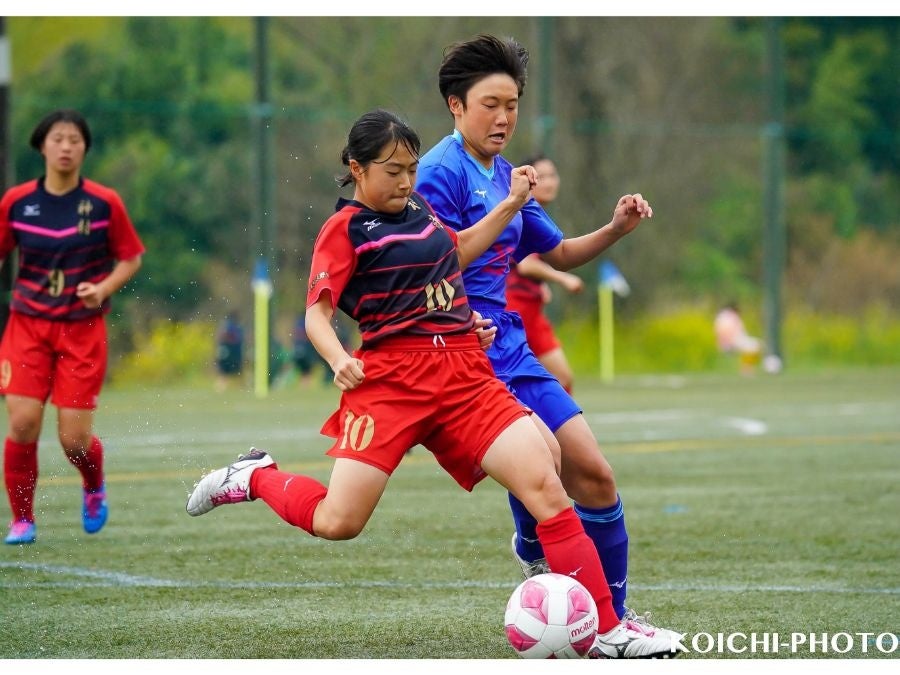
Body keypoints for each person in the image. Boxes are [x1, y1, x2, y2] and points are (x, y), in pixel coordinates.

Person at [186, 109, 678, 659]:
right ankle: (256, 477)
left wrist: (510, 211)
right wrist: (336, 358)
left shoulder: (417, 207)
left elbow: (457, 251)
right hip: (391, 385)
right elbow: (316, 317)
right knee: (338, 521)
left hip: (463, 374)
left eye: (411, 170)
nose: (405, 182)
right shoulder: (343, 230)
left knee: (546, 480)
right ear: (357, 168)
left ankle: (606, 629)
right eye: (392, 171)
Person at [416, 34, 680, 639]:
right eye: (490, 103)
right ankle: (598, 619)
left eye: (512, 103)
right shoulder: (437, 173)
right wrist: (507, 211)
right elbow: (434, 262)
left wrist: (616, 228)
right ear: (455, 106)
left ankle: (607, 609)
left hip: (510, 344)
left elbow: (558, 250)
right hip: (463, 352)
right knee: (548, 466)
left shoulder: (508, 175)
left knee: (596, 473)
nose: (504, 116)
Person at [0, 109, 145, 545]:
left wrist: (101, 289)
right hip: (27, 325)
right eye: (58, 139)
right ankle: (22, 519)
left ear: (84, 149)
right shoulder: (17, 202)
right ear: (42, 146)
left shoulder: (104, 203)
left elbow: (131, 258)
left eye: (75, 140)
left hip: (81, 332)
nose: (66, 147)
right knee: (23, 422)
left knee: (74, 439)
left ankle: (93, 485)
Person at [505, 155, 583, 393]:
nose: (549, 182)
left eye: (553, 175)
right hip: (515, 309)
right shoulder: (520, 212)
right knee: (559, 377)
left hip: (529, 308)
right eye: (542, 176)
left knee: (554, 379)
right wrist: (563, 277)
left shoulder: (537, 214)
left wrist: (541, 285)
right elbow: (527, 264)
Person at [714, 302, 762, 375]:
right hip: (732, 341)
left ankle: (747, 368)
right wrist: (727, 343)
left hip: (737, 339)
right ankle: (746, 369)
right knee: (752, 346)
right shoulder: (726, 317)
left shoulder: (729, 316)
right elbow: (723, 331)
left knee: (756, 344)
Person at [214, 310, 244, 390]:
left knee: (228, 369)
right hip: (229, 351)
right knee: (225, 369)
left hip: (231, 351)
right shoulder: (230, 326)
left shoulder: (231, 325)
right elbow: (223, 336)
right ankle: (221, 387)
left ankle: (223, 387)